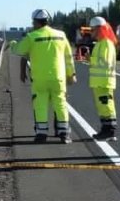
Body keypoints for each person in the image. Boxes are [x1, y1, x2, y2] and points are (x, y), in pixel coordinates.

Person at [11, 9, 76, 144]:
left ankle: (41, 134)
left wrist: (12, 44)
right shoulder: (61, 35)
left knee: (40, 104)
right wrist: (71, 74)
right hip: (58, 78)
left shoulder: (32, 37)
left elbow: (19, 50)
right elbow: (68, 57)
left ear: (36, 21)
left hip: (40, 79)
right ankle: (65, 134)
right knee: (61, 104)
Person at [88, 17, 118, 141]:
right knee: (102, 106)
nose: (91, 32)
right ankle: (105, 129)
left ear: (99, 29)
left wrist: (92, 59)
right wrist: (90, 58)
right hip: (99, 82)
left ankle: (109, 131)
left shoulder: (106, 43)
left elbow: (104, 62)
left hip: (104, 81)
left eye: (93, 29)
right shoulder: (100, 43)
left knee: (106, 105)